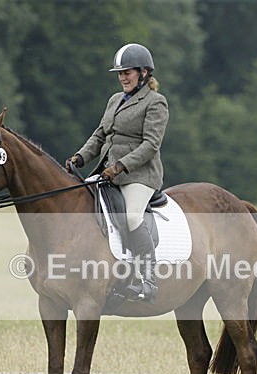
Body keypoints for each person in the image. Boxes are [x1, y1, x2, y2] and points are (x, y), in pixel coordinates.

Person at [67, 43, 169, 303]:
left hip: (140, 175)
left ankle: (148, 281)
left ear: (144, 73)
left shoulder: (156, 102)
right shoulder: (115, 100)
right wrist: (80, 157)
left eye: (128, 72)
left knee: (132, 217)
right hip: (108, 171)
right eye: (120, 73)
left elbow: (151, 145)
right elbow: (100, 135)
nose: (123, 77)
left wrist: (122, 165)